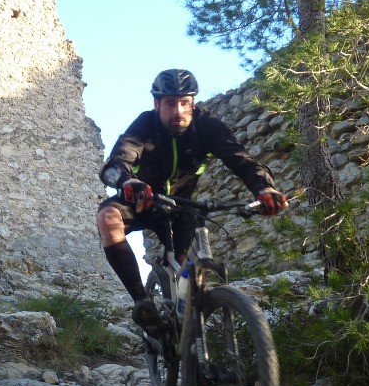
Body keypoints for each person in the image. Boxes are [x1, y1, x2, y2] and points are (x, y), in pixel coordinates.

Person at [96, 68, 287, 329]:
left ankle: (191, 337)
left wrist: (264, 188)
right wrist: (128, 181)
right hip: (142, 200)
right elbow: (118, 160)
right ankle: (141, 301)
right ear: (157, 104)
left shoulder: (205, 125)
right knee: (107, 218)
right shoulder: (145, 125)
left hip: (183, 206)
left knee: (185, 270)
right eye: (171, 103)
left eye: (184, 103)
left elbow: (239, 157)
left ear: (193, 103)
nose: (178, 111)